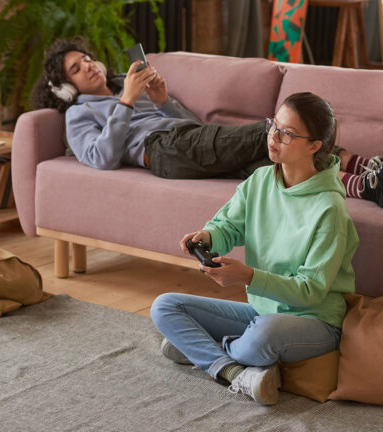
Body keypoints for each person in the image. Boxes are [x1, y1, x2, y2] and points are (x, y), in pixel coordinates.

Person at [30, 36, 383, 210]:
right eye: (76, 68)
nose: (88, 66)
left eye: (87, 59)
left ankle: (372, 187)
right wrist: (128, 102)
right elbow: (101, 158)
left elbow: (194, 127)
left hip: (185, 141)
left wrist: (161, 100)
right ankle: (368, 163)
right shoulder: (79, 113)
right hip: (162, 153)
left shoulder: (126, 84)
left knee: (278, 168)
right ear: (65, 86)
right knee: (271, 130)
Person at [149, 92, 359, 405]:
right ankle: (234, 372)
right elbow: (229, 226)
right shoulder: (261, 179)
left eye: (287, 133)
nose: (273, 136)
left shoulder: (329, 209)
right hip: (262, 312)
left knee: (264, 335)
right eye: (274, 125)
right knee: (164, 306)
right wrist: (207, 236)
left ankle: (202, 352)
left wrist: (249, 277)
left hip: (316, 322)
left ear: (314, 145)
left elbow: (311, 290)